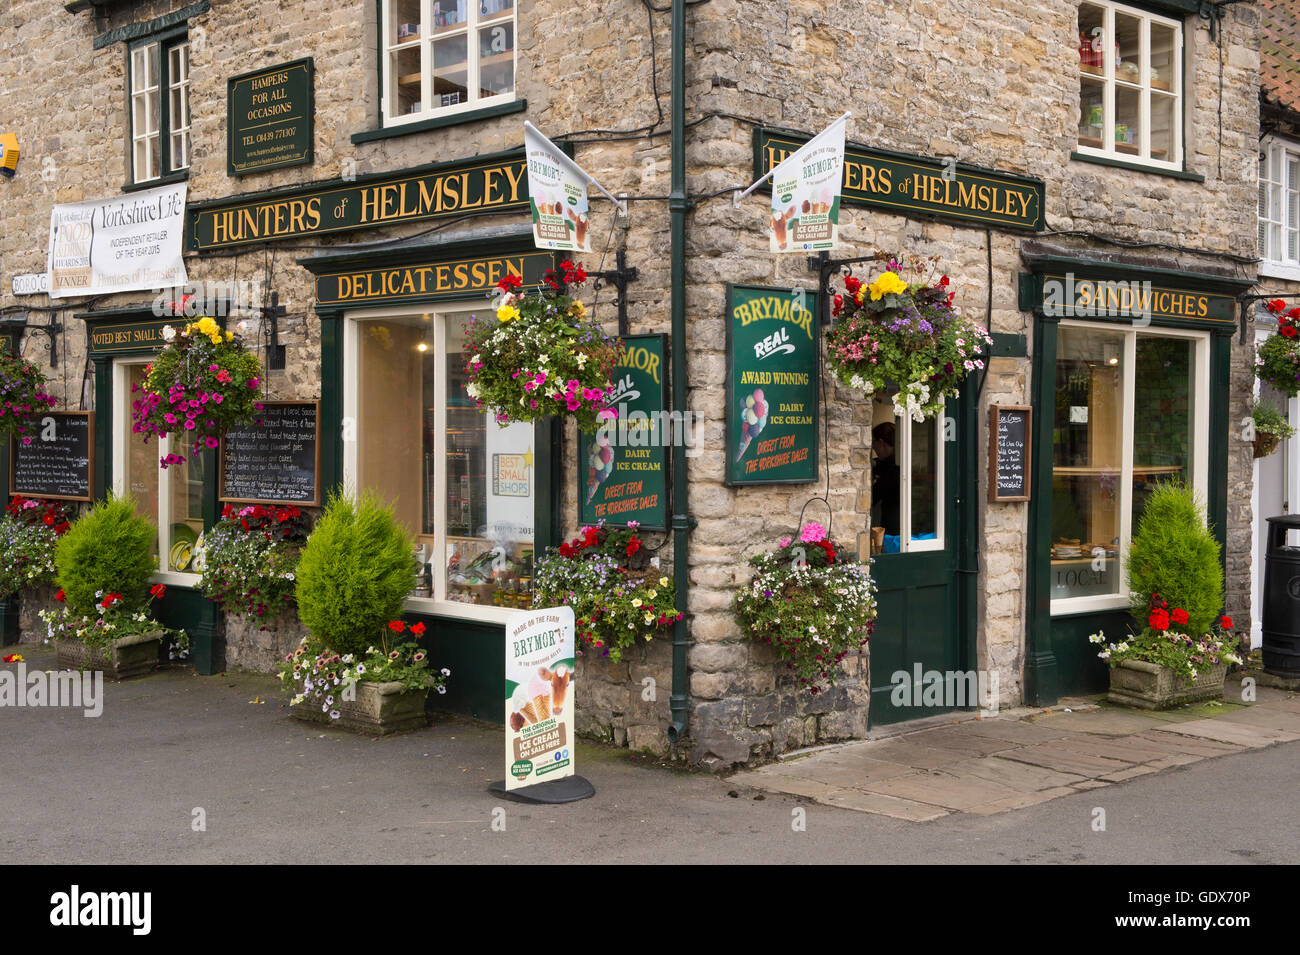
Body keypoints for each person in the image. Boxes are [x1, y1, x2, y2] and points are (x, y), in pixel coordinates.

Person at [871, 422, 900, 538]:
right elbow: (883, 463)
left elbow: (873, 496)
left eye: (874, 443)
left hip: (894, 528)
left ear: (881, 442)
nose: (873, 447)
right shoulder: (899, 460)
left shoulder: (892, 470)